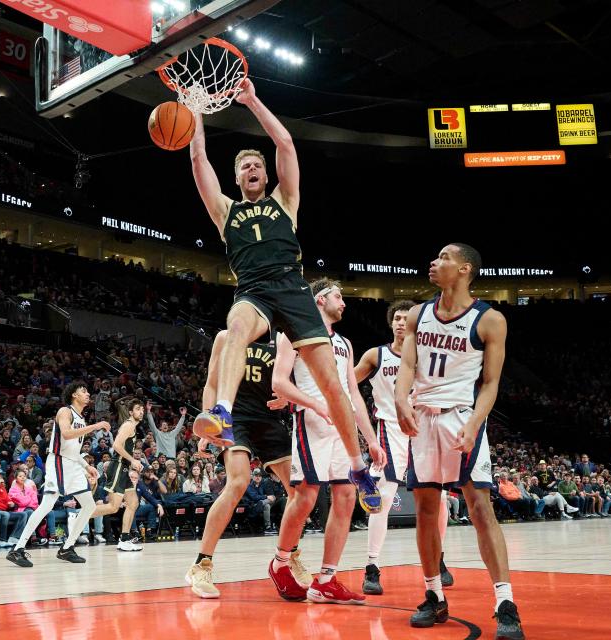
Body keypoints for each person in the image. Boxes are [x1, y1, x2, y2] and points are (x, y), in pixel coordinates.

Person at [188, 78, 381, 512]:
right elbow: (198, 156)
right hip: (254, 291)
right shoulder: (225, 211)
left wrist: (252, 100)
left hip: (293, 290)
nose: (252, 170)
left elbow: (287, 143)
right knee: (235, 328)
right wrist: (195, 110)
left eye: (257, 164)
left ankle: (357, 466)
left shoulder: (285, 200)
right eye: (244, 167)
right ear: (236, 177)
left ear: (265, 172)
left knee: (333, 387)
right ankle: (222, 411)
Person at [395, 243, 524, 638]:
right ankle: (434, 595)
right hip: (423, 419)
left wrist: (475, 423)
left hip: (460, 418)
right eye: (434, 256)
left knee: (481, 507)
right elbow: (409, 364)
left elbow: (490, 383)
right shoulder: (419, 314)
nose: (434, 262)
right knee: (426, 510)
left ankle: (505, 602)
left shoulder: (490, 320)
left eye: (444, 257)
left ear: (465, 269)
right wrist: (401, 399)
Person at [268, 279, 386, 604]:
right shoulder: (292, 333)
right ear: (320, 300)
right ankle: (279, 562)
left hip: (341, 430)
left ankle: (326, 579)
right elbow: (279, 382)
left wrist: (370, 438)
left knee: (346, 497)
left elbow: (352, 396)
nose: (344, 302)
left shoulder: (346, 344)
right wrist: (318, 404)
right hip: (312, 422)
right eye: (338, 296)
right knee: (305, 498)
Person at [186, 329, 300, 598]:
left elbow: (289, 380)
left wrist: (287, 396)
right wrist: (207, 421)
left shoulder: (283, 339)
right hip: (235, 418)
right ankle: (201, 564)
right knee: (238, 481)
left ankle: (289, 558)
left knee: (299, 490)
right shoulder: (227, 336)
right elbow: (212, 383)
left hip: (269, 419)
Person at [354, 299, 455, 595]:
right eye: (396, 318)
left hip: (426, 429)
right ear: (391, 323)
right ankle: (372, 567)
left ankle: (438, 559)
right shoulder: (377, 355)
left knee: (440, 500)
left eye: (405, 318)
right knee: (383, 497)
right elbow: (346, 382)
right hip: (390, 430)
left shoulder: (428, 356)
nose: (400, 322)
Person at [6, 381, 108, 568]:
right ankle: (18, 549)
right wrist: (96, 426)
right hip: (58, 462)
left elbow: (74, 450)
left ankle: (67, 548)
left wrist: (86, 466)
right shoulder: (65, 411)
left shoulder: (81, 419)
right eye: (83, 391)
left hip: (72, 464)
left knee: (89, 505)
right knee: (47, 505)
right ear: (74, 395)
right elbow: (67, 434)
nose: (87, 394)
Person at [89, 399, 145, 552]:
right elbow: (116, 446)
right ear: (131, 412)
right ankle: (82, 516)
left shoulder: (132, 425)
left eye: (142, 409)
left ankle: (125, 539)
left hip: (124, 468)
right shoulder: (128, 425)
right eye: (138, 409)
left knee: (133, 503)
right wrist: (133, 459)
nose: (141, 411)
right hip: (119, 466)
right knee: (113, 507)